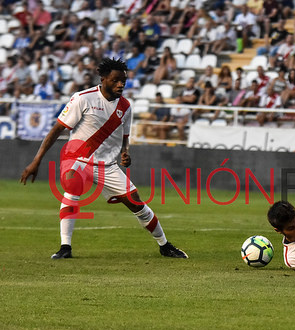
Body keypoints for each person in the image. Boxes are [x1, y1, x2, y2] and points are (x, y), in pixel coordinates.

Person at [19, 58, 188, 259]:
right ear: (104, 79)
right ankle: (65, 247)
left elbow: (125, 138)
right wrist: (37, 160)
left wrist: (126, 153)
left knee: (136, 203)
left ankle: (164, 245)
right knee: (73, 185)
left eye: (123, 81)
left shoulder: (125, 106)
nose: (121, 85)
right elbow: (57, 129)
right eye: (116, 80)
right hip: (78, 158)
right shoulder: (83, 98)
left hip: (106, 165)